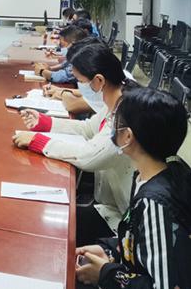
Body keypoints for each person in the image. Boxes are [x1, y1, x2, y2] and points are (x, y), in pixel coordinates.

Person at [13, 39, 137, 243]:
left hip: (123, 221)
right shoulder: (116, 101)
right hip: (108, 201)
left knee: (44, 224)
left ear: (98, 81)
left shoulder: (126, 113)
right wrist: (46, 123)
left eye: (81, 81)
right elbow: (88, 128)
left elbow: (90, 157)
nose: (79, 88)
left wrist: (39, 141)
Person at [75, 88, 191, 289]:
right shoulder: (151, 174)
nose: (112, 127)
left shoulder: (154, 202)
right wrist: (111, 251)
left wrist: (105, 274)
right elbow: (142, 242)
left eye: (116, 122)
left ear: (128, 136)